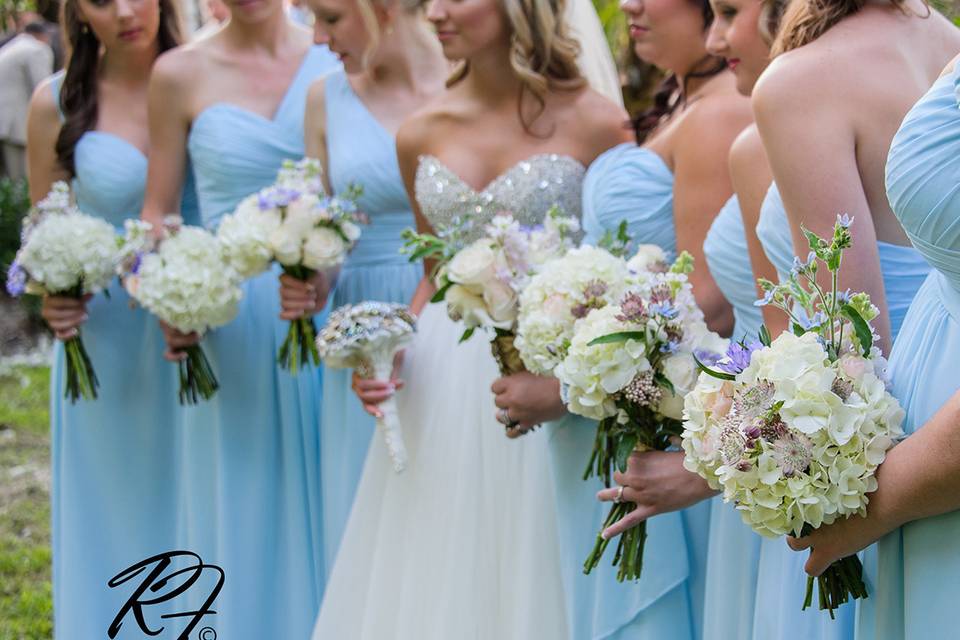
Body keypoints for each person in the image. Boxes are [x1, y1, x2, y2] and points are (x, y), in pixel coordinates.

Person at [314, 0, 626, 636]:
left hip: (551, 375)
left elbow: (619, 271)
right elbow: (434, 275)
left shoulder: (599, 123)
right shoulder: (420, 132)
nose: (434, 12)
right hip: (442, 375)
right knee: (435, 564)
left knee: (537, 560)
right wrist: (391, 347)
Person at [747, 0, 960, 635]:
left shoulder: (797, 82)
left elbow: (852, 340)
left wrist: (854, 488)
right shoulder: (946, 39)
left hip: (916, 448)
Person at [139, 1, 338, 636]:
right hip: (227, 321)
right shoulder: (178, 73)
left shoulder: (335, 53)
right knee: (243, 499)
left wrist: (325, 266)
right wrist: (166, 295)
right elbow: (159, 212)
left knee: (334, 488)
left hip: (320, 302)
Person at [24, 0, 198, 634]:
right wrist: (52, 291)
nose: (126, 11)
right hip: (110, 345)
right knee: (119, 505)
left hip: (205, 327)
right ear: (76, 12)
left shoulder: (205, 80)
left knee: (202, 497)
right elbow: (44, 228)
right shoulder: (57, 103)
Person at [286, 0, 448, 579]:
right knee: (365, 530)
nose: (318, 39)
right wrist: (308, 276)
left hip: (461, 309)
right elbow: (330, 234)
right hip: (363, 328)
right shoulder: (324, 97)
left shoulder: (467, 79)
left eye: (331, 18)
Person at [1, 21, 52, 179]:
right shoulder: (36, 49)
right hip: (17, 128)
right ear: (42, 36)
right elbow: (45, 90)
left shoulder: (8, 48)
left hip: (4, 124)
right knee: (23, 183)